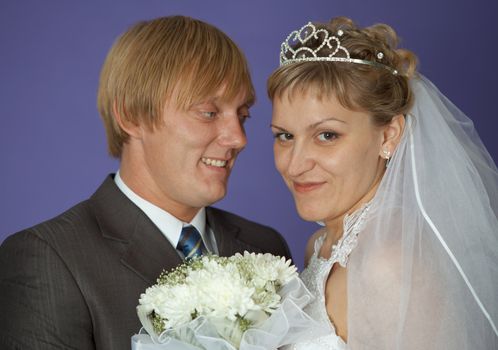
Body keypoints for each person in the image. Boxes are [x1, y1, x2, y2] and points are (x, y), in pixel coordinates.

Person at [0, 16, 291, 350]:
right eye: (209, 113)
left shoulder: (266, 247)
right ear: (131, 116)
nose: (238, 138)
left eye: (243, 115)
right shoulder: (50, 258)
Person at [267, 17, 498, 349]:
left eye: (327, 135)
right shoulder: (320, 246)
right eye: (285, 136)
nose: (295, 163)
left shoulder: (388, 266)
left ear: (388, 136)